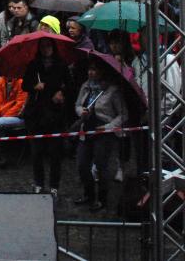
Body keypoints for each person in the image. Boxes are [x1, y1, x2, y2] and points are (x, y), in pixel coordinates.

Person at [74, 59, 128, 211]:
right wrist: (81, 112)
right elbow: (77, 105)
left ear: (102, 72)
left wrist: (108, 127)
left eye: (94, 69)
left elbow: (123, 115)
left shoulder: (112, 90)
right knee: (82, 165)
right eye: (89, 69)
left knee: (101, 166)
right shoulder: (86, 86)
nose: (91, 72)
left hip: (103, 132)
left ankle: (102, 199)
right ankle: (88, 194)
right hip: (87, 129)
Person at [22, 38, 73, 197]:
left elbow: (71, 86)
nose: (46, 49)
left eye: (49, 46)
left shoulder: (61, 64)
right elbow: (25, 85)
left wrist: (61, 94)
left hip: (54, 113)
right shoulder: (33, 65)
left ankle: (54, 186)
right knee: (36, 152)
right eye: (43, 46)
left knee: (54, 153)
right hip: (36, 114)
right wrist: (34, 86)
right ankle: (38, 182)